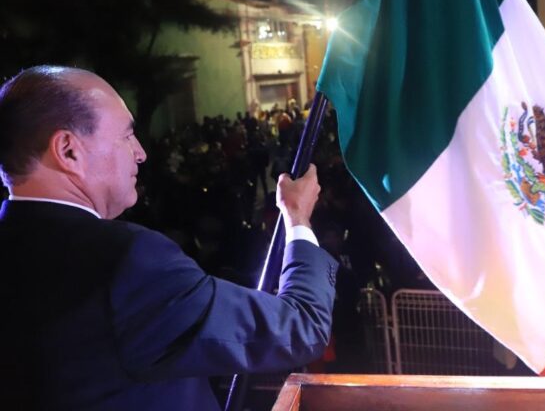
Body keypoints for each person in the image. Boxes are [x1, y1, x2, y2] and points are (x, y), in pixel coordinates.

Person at [0, 66, 338, 410]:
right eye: (126, 136)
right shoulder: (126, 263)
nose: (140, 152)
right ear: (68, 150)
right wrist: (297, 218)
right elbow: (300, 327)